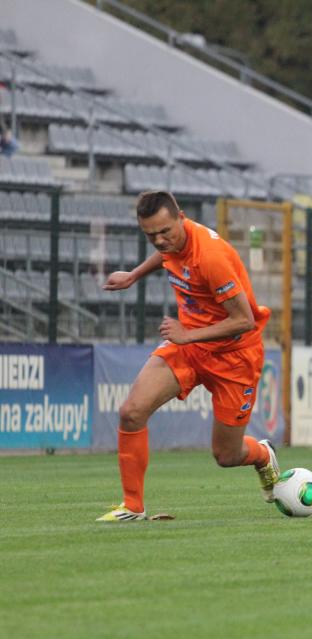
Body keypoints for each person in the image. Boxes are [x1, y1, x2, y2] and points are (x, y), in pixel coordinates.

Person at [97, 190, 279, 521]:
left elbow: (243, 320)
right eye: (151, 235)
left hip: (235, 357)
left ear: (181, 216)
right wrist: (134, 275)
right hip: (189, 347)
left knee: (226, 455)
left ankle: (263, 454)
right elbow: (167, 256)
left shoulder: (210, 257)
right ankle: (133, 507)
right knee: (132, 412)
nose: (160, 240)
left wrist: (187, 334)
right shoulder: (173, 240)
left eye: (165, 231)